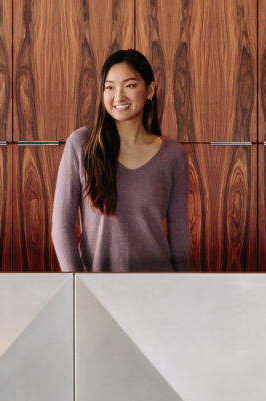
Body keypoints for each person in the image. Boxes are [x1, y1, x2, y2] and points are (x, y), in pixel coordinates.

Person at [51, 47, 192, 271]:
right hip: (95, 291)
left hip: (158, 289)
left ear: (150, 90)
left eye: (130, 85)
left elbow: (179, 237)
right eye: (109, 87)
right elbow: (61, 227)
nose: (118, 97)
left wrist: (182, 291)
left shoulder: (173, 155)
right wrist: (76, 285)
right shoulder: (81, 144)